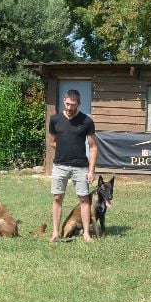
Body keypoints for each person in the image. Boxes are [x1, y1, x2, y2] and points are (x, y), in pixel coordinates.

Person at [49, 89, 98, 242]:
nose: (69, 108)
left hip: (81, 167)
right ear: (64, 101)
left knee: (84, 199)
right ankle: (55, 233)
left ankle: (86, 234)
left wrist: (91, 171)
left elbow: (93, 147)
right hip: (60, 165)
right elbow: (52, 141)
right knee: (57, 197)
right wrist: (65, 150)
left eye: (73, 105)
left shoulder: (86, 121)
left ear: (79, 104)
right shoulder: (55, 119)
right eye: (68, 104)